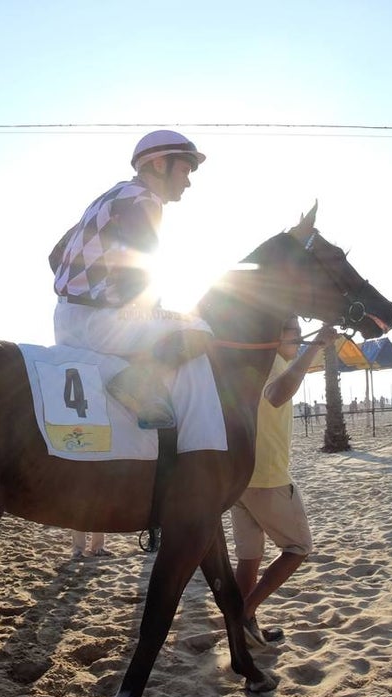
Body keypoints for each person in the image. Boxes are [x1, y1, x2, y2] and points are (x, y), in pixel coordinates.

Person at [50, 130, 211, 428]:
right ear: (160, 164)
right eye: (184, 170)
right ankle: (140, 384)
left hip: (64, 320)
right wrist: (148, 312)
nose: (188, 181)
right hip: (102, 324)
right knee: (200, 328)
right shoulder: (145, 199)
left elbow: (54, 257)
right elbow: (141, 271)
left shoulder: (109, 196)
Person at [230, 318, 337, 647]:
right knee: (298, 546)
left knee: (249, 557)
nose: (299, 336)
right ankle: (243, 614)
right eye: (293, 330)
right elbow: (277, 394)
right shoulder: (273, 364)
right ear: (274, 335)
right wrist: (316, 346)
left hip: (240, 478)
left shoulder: (250, 364)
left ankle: (245, 630)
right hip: (267, 476)